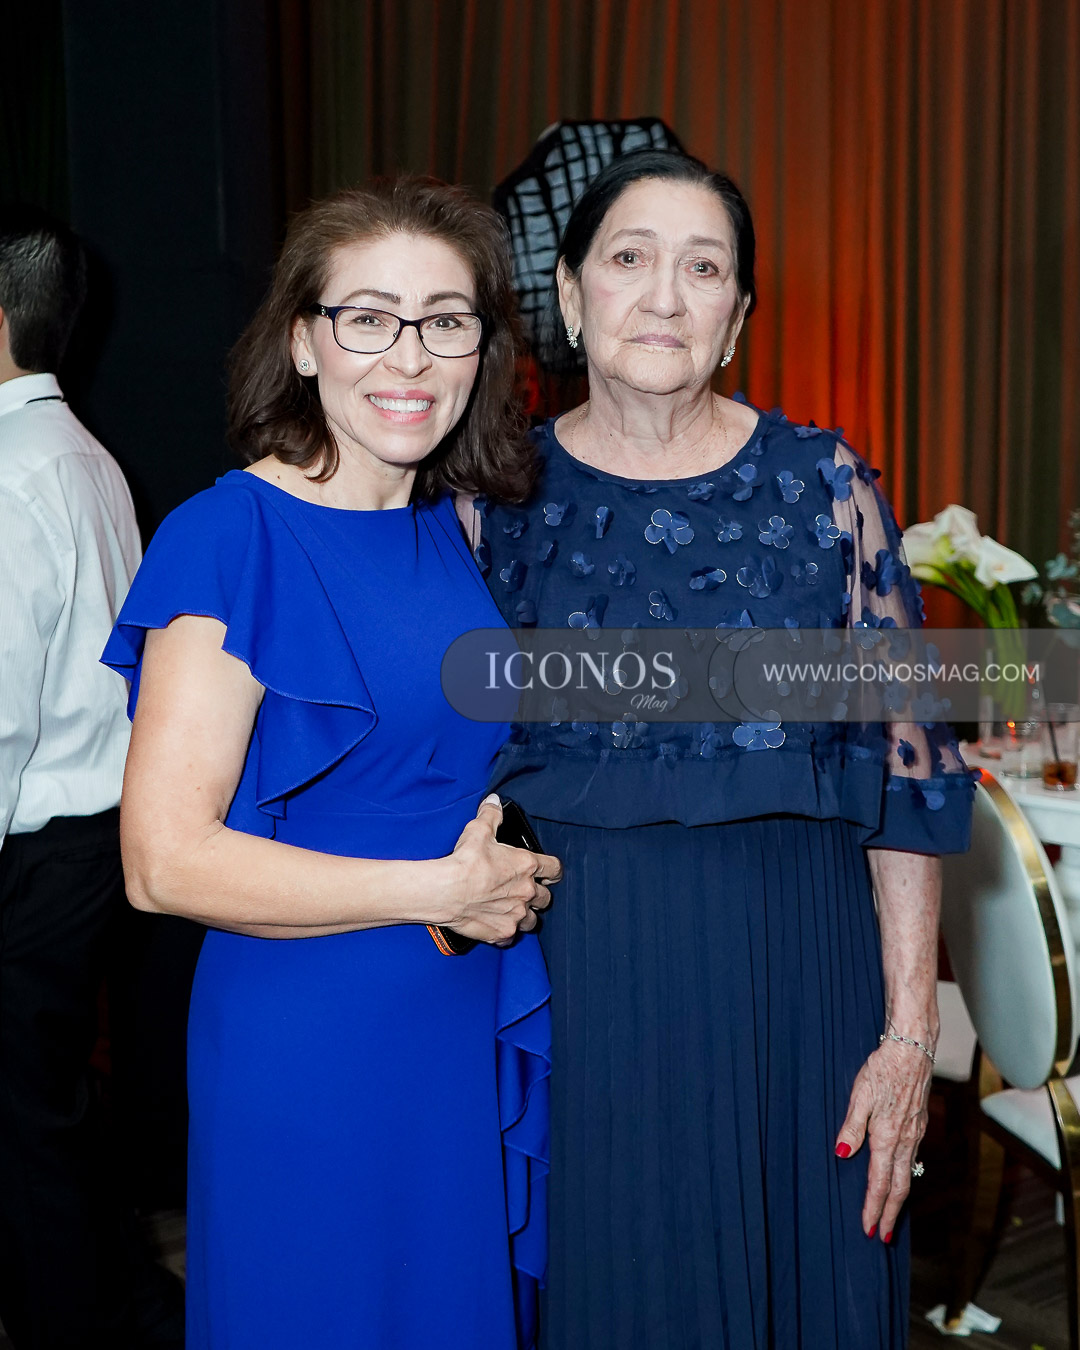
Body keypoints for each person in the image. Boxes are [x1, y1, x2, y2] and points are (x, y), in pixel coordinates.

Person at [478, 150, 975, 1350]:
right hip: (581, 1001)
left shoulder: (825, 488)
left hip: (802, 995)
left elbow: (908, 777)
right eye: (630, 259)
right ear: (570, 292)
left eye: (704, 270)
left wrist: (909, 1037)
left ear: (739, 316)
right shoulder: (491, 501)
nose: (665, 296)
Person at [101, 180, 561, 1350]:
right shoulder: (230, 535)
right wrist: (438, 890)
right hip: (307, 1030)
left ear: (481, 349)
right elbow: (162, 863)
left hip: (448, 1013)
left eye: (445, 320)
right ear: (304, 342)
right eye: (368, 318)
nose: (409, 356)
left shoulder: (443, 527)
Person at [0, 207, 186, 1349]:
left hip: (38, 856)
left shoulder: (16, 470)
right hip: (91, 842)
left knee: (25, 1134)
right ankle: (125, 1310)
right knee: (50, 1115)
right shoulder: (82, 454)